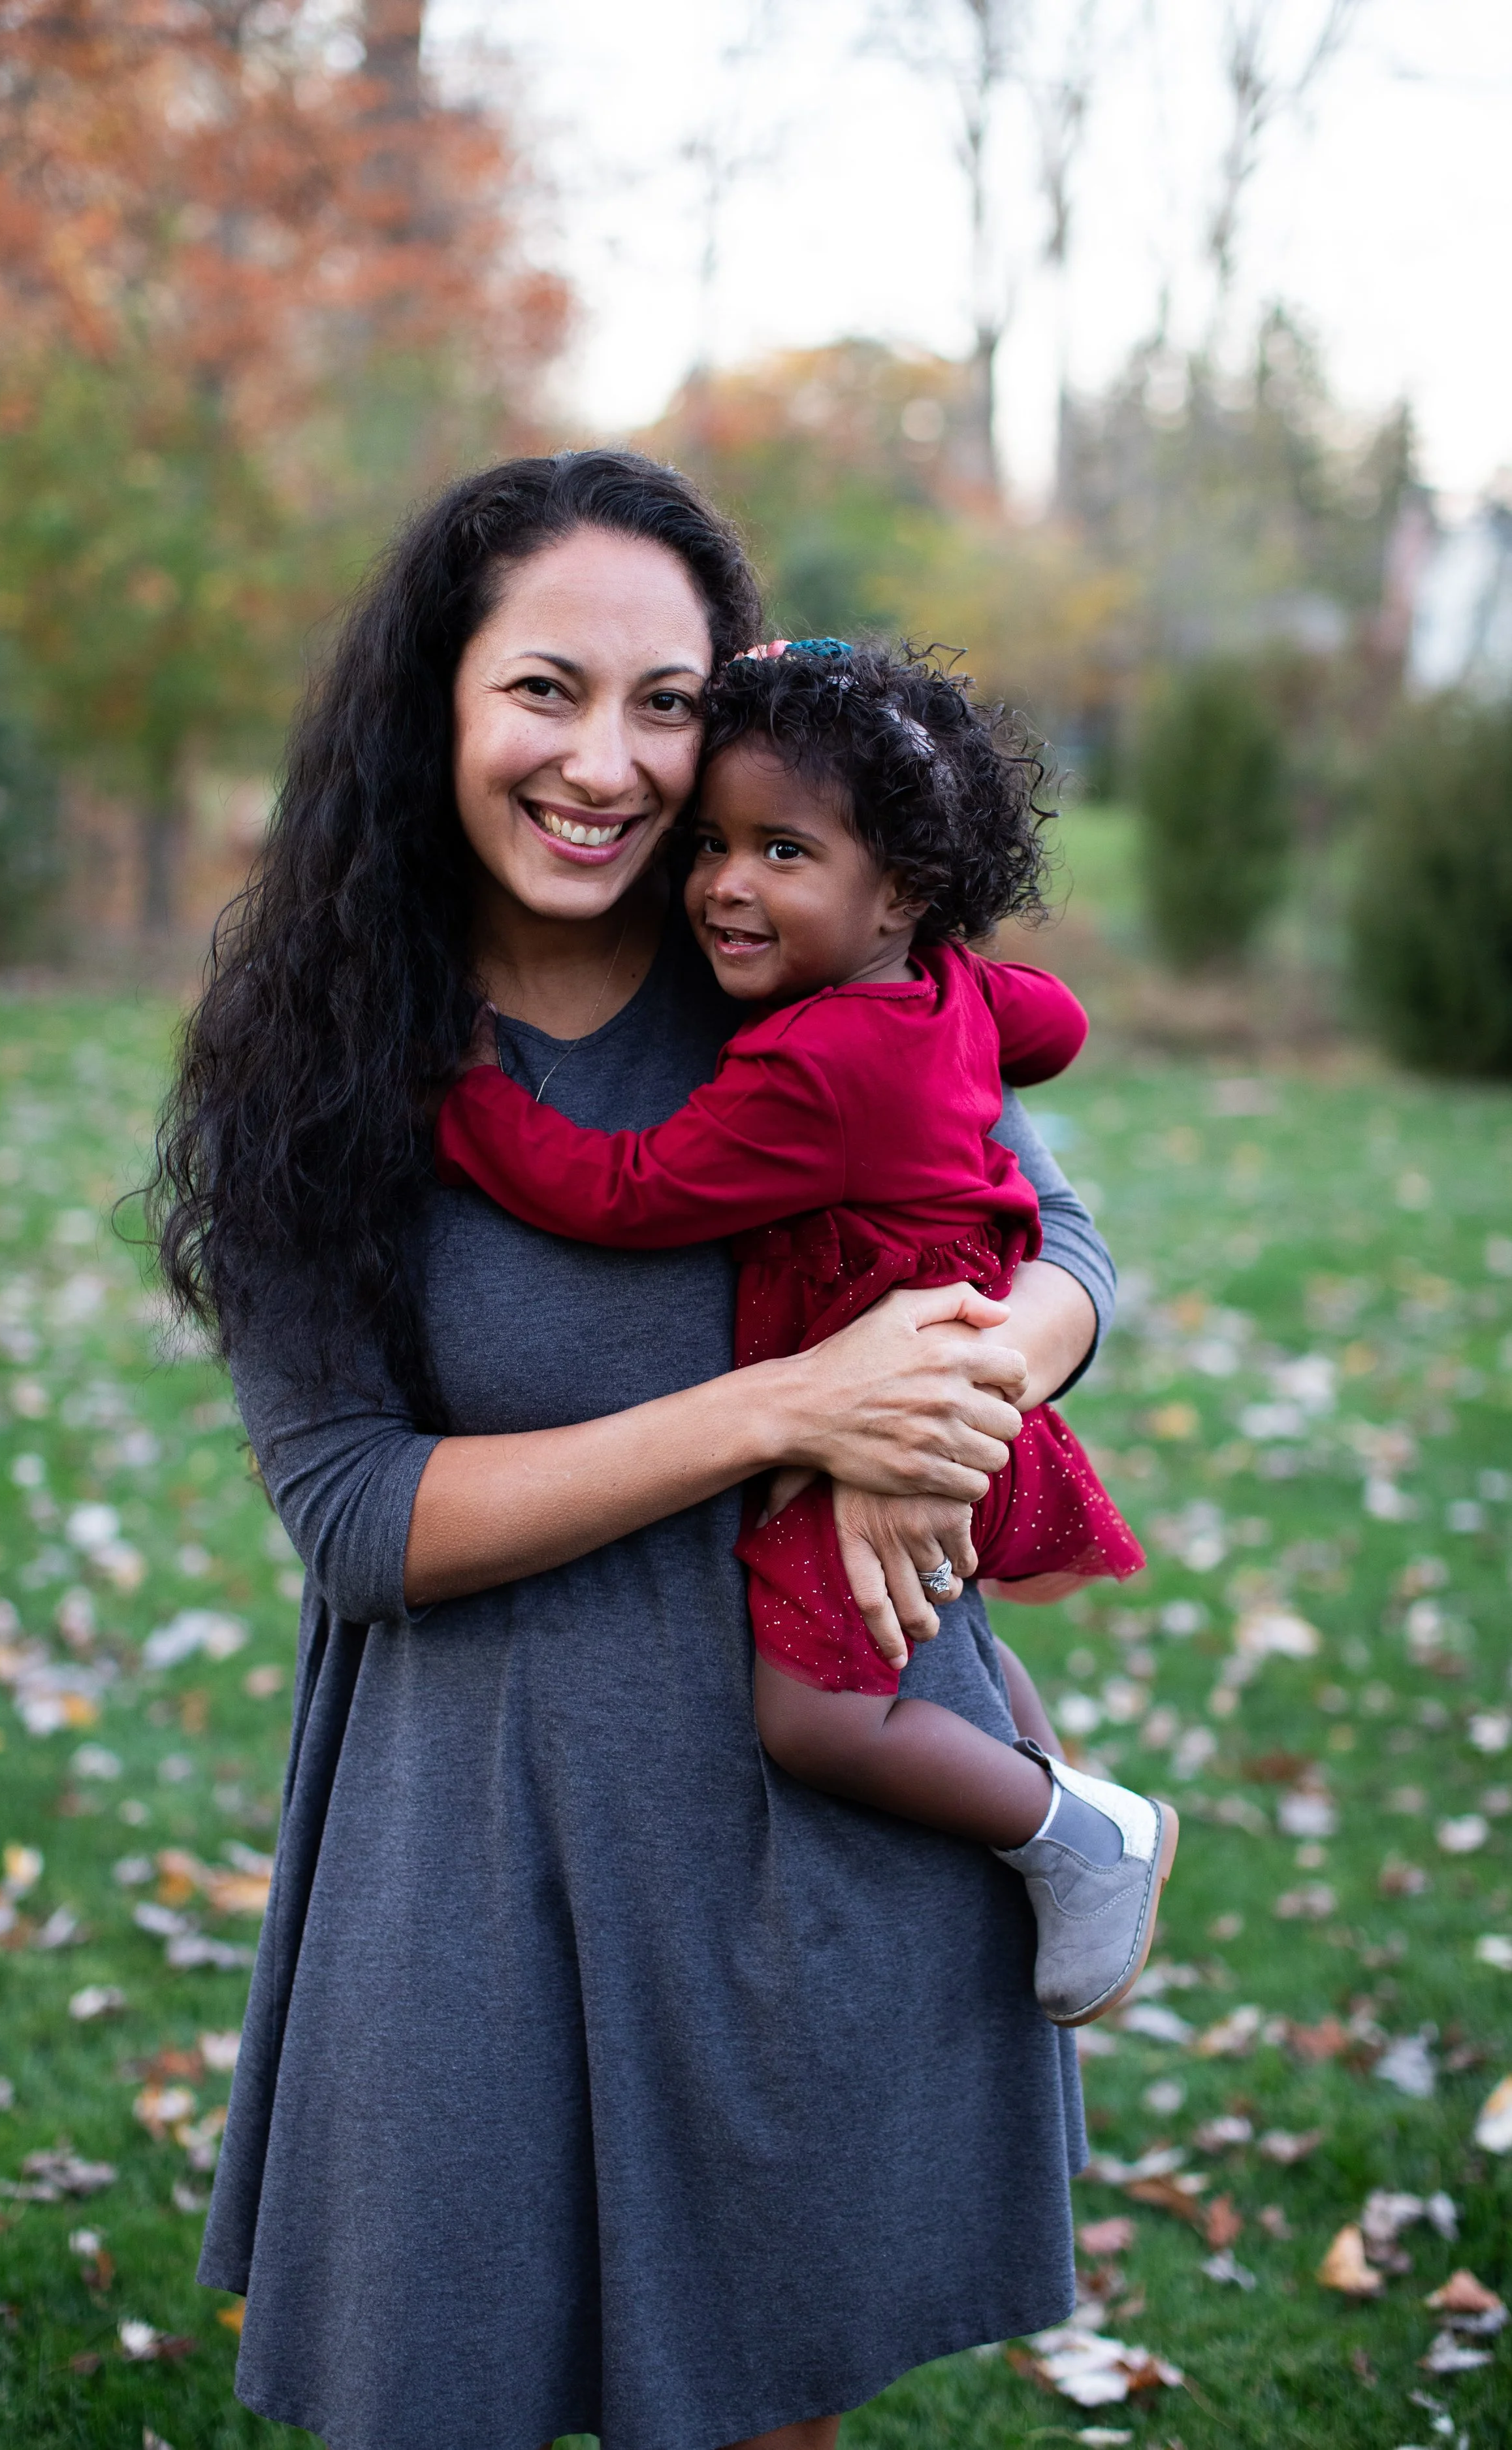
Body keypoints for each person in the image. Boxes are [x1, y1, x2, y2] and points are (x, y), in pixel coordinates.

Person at [152, 449, 1119, 2450]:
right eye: (544, 688)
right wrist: (783, 1406)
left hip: (808, 1848)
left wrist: (942, 1383)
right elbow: (351, 1511)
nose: (606, 762)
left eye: (664, 702)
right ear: (435, 697)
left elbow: (1069, 1250)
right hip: (476, 1850)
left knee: (769, 2405)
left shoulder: (784, 934)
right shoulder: (324, 1056)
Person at [433, 640, 1172, 2029]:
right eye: (709, 843)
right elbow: (1055, 1020)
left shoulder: (812, 1066)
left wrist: (469, 1098)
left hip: (878, 1401)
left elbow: (625, 1191)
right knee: (924, 1626)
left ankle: (1075, 1834)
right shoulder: (939, 988)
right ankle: (1045, 1793)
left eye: (781, 852)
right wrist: (955, 1008)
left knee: (817, 1717)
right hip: (955, 1353)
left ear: (899, 888)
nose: (722, 883)